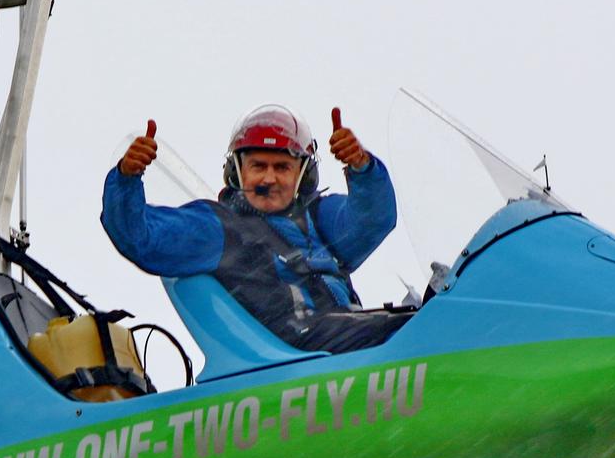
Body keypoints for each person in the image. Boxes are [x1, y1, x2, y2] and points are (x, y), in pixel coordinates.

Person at [101, 104, 402, 352]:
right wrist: (127, 178)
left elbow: (373, 220)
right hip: (293, 354)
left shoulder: (319, 219)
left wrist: (362, 168)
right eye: (258, 166)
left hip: (349, 341)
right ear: (236, 173)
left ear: (303, 176)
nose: (269, 179)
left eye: (282, 167)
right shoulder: (217, 227)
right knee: (402, 327)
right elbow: (139, 236)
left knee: (425, 317)